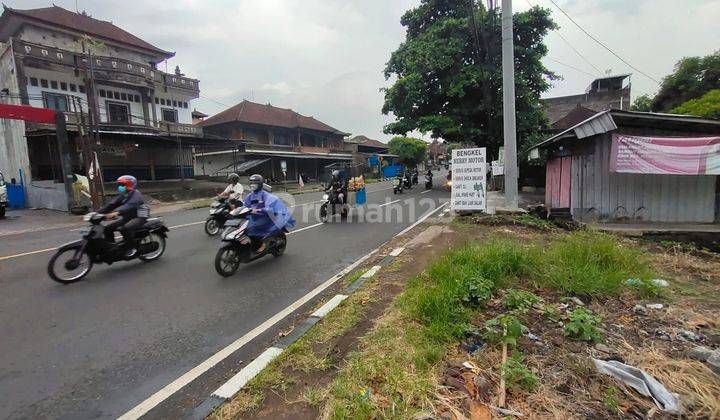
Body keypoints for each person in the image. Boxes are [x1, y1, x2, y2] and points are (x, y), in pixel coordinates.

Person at [243, 174, 296, 253]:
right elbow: (245, 205)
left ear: (260, 184)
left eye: (255, 183)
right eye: (251, 183)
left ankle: (264, 243)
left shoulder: (266, 196)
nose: (252, 185)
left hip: (266, 217)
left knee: (252, 228)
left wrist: (260, 210)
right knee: (243, 227)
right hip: (254, 217)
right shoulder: (249, 196)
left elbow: (270, 207)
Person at [100, 175, 146, 258]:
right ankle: (112, 248)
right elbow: (111, 205)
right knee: (107, 228)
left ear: (130, 184)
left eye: (123, 185)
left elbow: (130, 205)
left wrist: (117, 212)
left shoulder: (136, 194)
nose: (121, 187)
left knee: (125, 228)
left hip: (139, 217)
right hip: (128, 217)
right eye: (120, 185)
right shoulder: (123, 195)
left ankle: (132, 248)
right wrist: (97, 213)